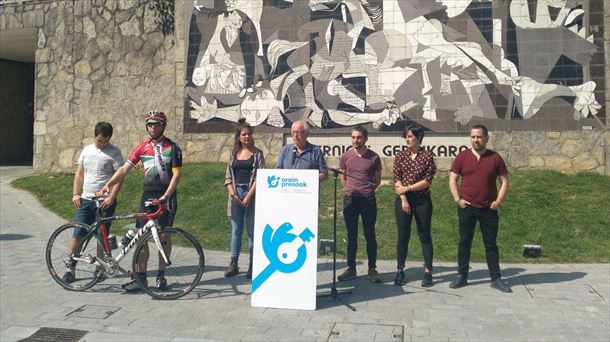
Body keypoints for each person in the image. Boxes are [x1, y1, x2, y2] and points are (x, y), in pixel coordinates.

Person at [101, 110, 183, 292]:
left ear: (164, 125)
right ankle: (142, 279)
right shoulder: (141, 147)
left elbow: (177, 175)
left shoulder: (172, 147)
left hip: (165, 197)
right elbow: (124, 169)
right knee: (141, 237)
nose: (153, 127)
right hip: (147, 197)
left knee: (164, 236)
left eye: (157, 124)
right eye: (150, 124)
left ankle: (161, 276)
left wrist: (166, 196)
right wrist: (108, 184)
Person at [449, 124, 512, 293]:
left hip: (488, 209)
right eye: (473, 137)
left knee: (490, 244)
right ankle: (462, 276)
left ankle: (496, 278)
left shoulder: (495, 158)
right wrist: (458, 200)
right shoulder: (462, 157)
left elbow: (504, 182)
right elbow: (452, 179)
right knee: (464, 242)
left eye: (479, 137)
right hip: (467, 207)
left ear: (486, 138)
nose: (475, 140)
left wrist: (498, 201)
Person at [62, 122, 125, 283]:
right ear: (94, 136)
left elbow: (119, 177)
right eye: (100, 141)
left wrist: (111, 196)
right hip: (85, 200)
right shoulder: (87, 150)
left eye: (106, 141)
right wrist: (76, 194)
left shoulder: (114, 153)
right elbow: (79, 174)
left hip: (104, 202)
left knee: (101, 237)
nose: (103, 144)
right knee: (78, 234)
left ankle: (100, 268)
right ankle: (71, 267)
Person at [337, 126, 382, 283]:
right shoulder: (346, 156)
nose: (356, 140)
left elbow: (378, 180)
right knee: (351, 235)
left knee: (370, 234)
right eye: (353, 137)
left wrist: (368, 190)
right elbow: (343, 176)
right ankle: (351, 268)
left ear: (365, 139)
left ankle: (372, 269)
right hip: (350, 200)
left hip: (368, 200)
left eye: (359, 137)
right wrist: (348, 190)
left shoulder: (374, 157)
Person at [393, 125, 437, 287]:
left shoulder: (427, 156)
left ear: (419, 138)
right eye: (406, 136)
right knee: (403, 236)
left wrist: (409, 188)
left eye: (410, 136)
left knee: (424, 234)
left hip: (422, 201)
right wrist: (404, 198)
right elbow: (397, 178)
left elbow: (427, 181)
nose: (407, 139)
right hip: (403, 199)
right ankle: (400, 270)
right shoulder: (400, 155)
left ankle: (428, 271)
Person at [224, 118, 265, 279]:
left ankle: (252, 265)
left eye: (249, 134)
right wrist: (232, 193)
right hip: (235, 195)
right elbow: (228, 175)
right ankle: (233, 263)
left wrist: (249, 195)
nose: (246, 137)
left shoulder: (257, 154)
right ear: (239, 136)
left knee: (251, 231)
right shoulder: (233, 153)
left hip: (251, 195)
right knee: (236, 230)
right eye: (243, 135)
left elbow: (259, 177)